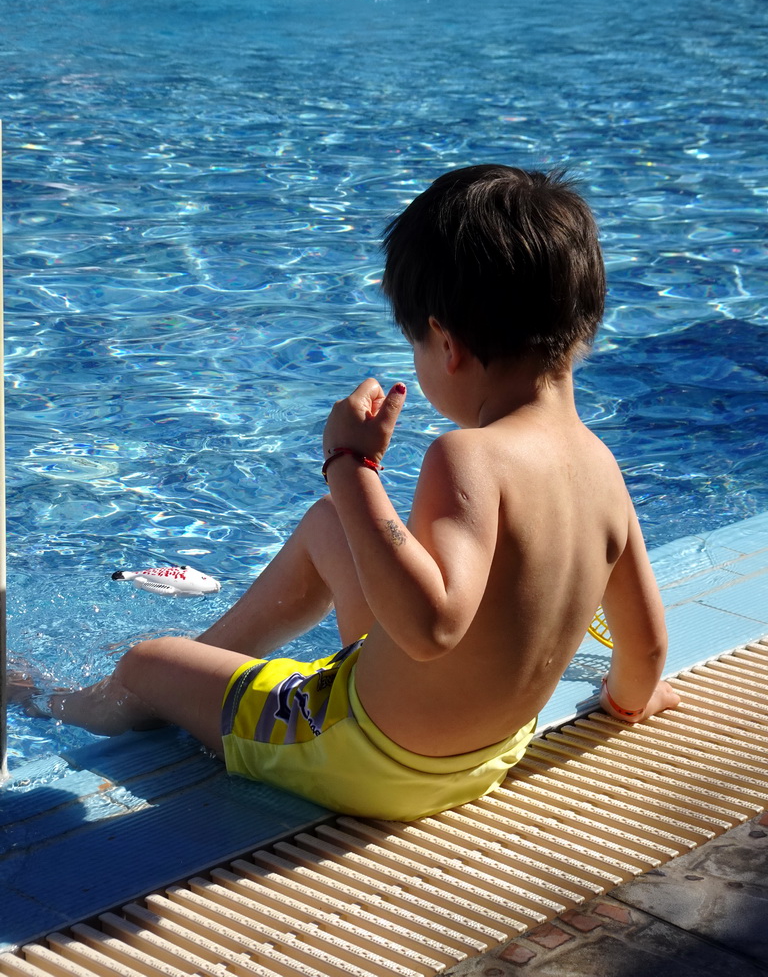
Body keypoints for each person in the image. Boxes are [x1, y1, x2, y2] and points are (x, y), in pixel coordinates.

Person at [23, 165, 680, 820]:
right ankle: (211, 663)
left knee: (144, 662)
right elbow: (645, 645)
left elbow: (430, 626)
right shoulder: (599, 466)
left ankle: (44, 697)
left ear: (447, 346)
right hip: (480, 752)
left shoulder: (469, 458)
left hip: (362, 753)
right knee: (331, 524)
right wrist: (627, 703)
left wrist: (349, 464)